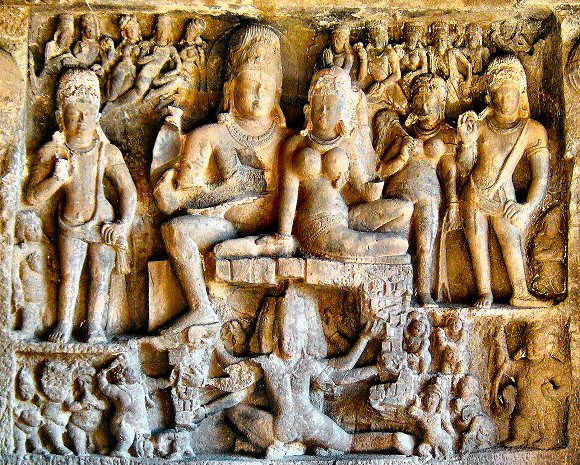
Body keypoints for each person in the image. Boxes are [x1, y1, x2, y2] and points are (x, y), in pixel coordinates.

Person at [153, 24, 293, 333]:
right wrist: (173, 198)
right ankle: (200, 309)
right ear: (231, 87)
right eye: (251, 83)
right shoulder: (208, 136)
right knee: (175, 231)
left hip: (276, 235)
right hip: (225, 228)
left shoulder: (290, 141)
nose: (258, 94)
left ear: (277, 93)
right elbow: (185, 198)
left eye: (266, 86)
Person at [26, 68, 137, 343]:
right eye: (75, 113)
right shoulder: (52, 152)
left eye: (88, 114)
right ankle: (64, 323)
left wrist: (123, 225)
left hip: (103, 225)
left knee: (100, 278)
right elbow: (31, 197)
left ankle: (95, 327)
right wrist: (56, 179)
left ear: (98, 117)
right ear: (60, 117)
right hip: (70, 223)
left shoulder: (107, 152)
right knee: (69, 276)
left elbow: (128, 190)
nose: (82, 121)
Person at [274, 67, 411, 261]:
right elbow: (288, 194)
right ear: (308, 108)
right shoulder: (295, 145)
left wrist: (391, 166)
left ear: (342, 112)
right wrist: (284, 237)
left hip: (346, 216)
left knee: (404, 210)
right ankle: (367, 251)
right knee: (399, 244)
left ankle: (367, 253)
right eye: (318, 105)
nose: (323, 112)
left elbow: (366, 192)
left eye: (330, 106)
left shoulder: (347, 145)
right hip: (315, 224)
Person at [457, 55, 551, 308]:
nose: (504, 100)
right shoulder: (481, 125)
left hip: (504, 197)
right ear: (490, 96)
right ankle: (484, 292)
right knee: (477, 244)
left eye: (509, 93)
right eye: (497, 94)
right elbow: (464, 166)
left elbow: (541, 176)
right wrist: (466, 142)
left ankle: (520, 291)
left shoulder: (532, 130)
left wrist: (527, 207)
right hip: (474, 193)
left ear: (521, 93)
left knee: (510, 238)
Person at [379, 74, 458, 307]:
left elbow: (450, 172)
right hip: (399, 191)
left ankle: (423, 291)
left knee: (425, 244)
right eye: (419, 100)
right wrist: (401, 157)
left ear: (440, 103)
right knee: (398, 244)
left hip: (429, 193)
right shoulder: (401, 133)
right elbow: (381, 170)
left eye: (430, 100)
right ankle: (397, 291)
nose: (424, 106)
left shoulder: (447, 135)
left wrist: (453, 201)